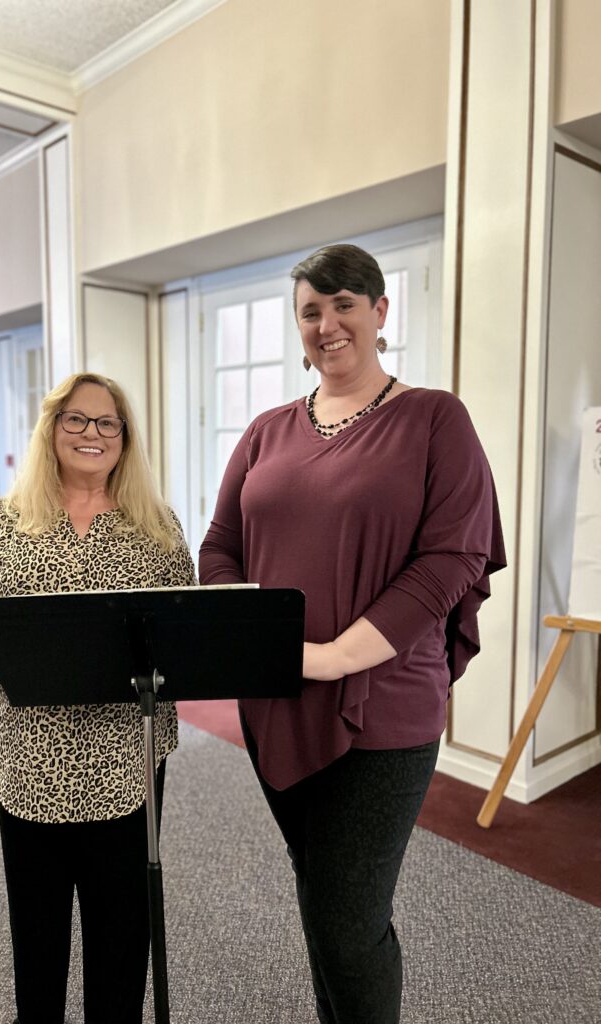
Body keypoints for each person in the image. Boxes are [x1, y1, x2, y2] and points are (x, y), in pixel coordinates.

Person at [199, 243, 506, 1024]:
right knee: (319, 890)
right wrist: (247, 633)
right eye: (310, 311)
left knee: (348, 922)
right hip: (276, 699)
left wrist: (339, 655)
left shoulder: (435, 417)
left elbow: (452, 558)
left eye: (343, 305)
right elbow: (221, 543)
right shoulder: (267, 430)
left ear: (379, 312)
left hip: (382, 705)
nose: (326, 324)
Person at [0, 372, 195, 1024]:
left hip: (124, 763)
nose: (91, 433)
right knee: (39, 935)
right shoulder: (4, 522)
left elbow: (184, 632)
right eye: (76, 420)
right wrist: (23, 669)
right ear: (51, 430)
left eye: (107, 422)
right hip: (30, 760)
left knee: (120, 938)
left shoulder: (158, 528)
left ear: (125, 438)